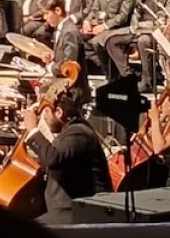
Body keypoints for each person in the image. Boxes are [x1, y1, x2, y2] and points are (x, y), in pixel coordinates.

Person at [22, 88, 109, 224]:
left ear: (59, 112)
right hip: (66, 210)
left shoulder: (78, 133)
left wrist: (33, 130)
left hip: (75, 212)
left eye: (46, 112)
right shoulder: (70, 132)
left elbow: (53, 158)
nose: (43, 117)